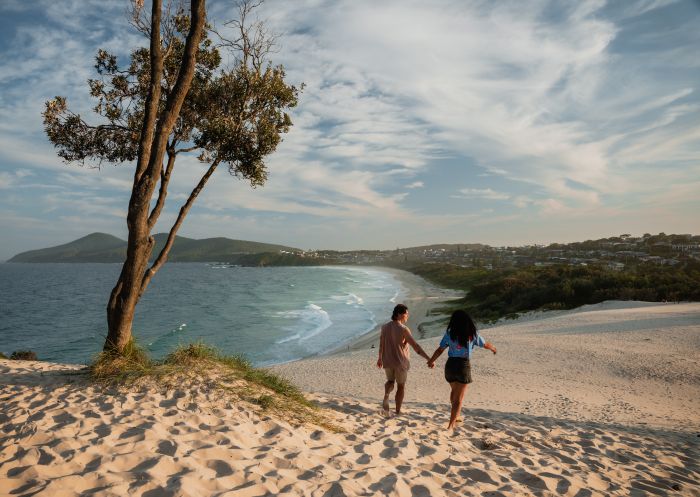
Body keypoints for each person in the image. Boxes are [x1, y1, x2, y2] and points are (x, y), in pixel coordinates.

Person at [427, 310, 496, 429]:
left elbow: (440, 349)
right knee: (458, 399)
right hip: (463, 365)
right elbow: (484, 344)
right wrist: (493, 348)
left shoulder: (450, 333)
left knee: (454, 392)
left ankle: (457, 416)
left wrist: (431, 360)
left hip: (450, 365)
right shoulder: (472, 333)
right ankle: (451, 425)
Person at [376, 304, 431, 415]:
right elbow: (416, 347)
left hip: (387, 360)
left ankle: (386, 395)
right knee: (401, 386)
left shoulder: (384, 327)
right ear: (399, 314)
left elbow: (381, 344)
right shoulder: (404, 329)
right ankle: (397, 411)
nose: (407, 316)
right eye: (406, 313)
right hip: (400, 362)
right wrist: (429, 358)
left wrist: (380, 358)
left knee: (390, 381)